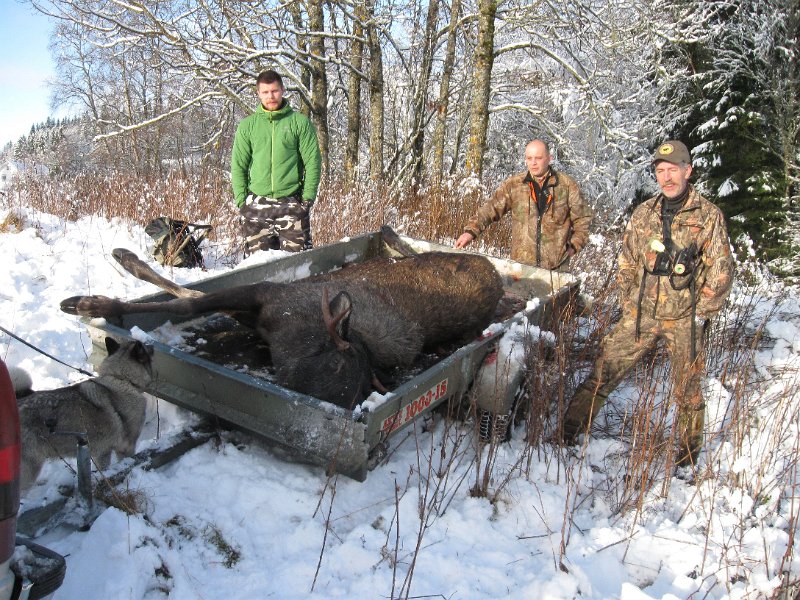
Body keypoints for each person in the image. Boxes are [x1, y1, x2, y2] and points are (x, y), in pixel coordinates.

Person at [561, 140, 734, 469]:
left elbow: (722, 271)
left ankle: (686, 459)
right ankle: (566, 435)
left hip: (685, 320)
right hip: (641, 315)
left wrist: (699, 314)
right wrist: (630, 302)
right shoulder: (644, 212)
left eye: (673, 170)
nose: (666, 177)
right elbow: (626, 260)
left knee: (689, 390)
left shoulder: (708, 216)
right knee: (604, 372)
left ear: (687, 171)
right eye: (660, 171)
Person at [454, 139, 592, 270]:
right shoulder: (515, 185)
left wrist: (573, 246)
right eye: (529, 158)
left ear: (549, 158)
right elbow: (490, 209)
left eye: (538, 158)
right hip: (521, 268)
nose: (533, 163)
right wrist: (470, 232)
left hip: (556, 268)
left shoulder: (567, 186)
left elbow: (583, 220)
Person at [231, 70, 322, 255]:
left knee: (298, 266)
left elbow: (313, 162)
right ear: (258, 93)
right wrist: (242, 202)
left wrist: (306, 200)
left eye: (274, 91)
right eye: (265, 92)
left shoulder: (300, 123)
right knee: (257, 268)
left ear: (282, 90)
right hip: (257, 207)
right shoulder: (248, 126)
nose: (270, 96)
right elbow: (239, 165)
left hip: (291, 204)